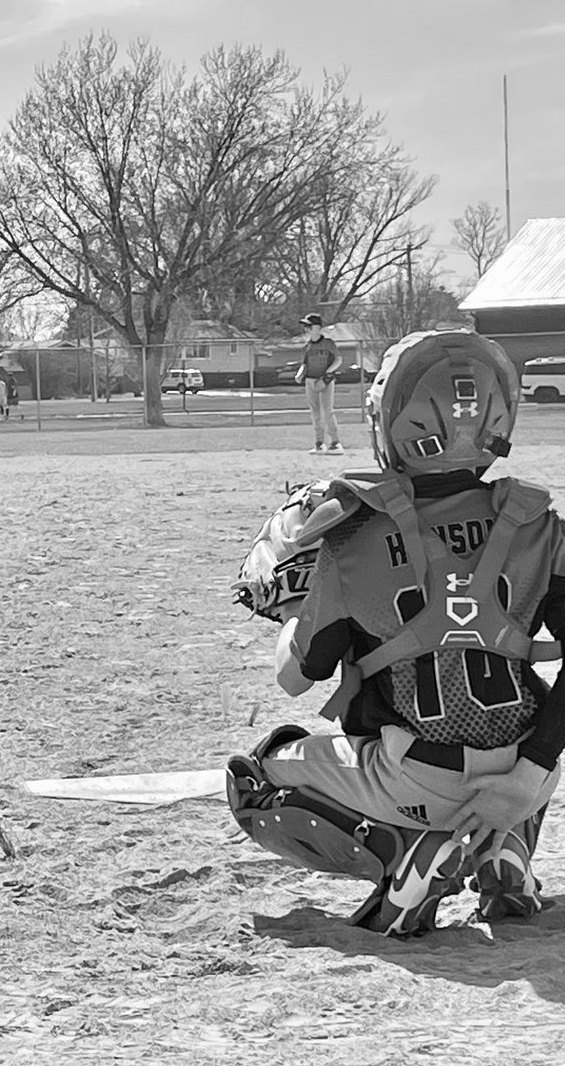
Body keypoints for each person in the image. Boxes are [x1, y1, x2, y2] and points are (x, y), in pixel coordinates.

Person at [227, 329, 565, 937]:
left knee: (257, 774)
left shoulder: (352, 535)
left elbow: (293, 678)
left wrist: (293, 611)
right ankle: (505, 846)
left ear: (389, 420)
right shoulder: (540, 524)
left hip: (412, 773)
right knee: (514, 728)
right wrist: (535, 770)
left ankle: (402, 852)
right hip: (522, 770)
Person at [294, 312, 343, 455]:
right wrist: (300, 374)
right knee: (315, 413)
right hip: (310, 380)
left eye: (309, 326)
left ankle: (335, 443)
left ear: (318, 327)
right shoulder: (308, 346)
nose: (307, 329)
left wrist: (327, 374)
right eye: (306, 326)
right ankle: (319, 443)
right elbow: (305, 364)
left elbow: (338, 360)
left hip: (325, 380)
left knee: (327, 411)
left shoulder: (328, 343)